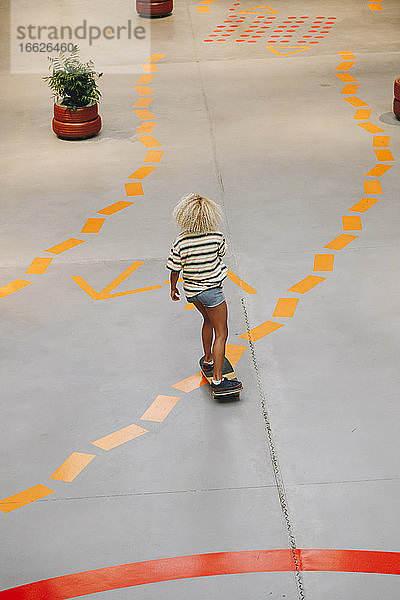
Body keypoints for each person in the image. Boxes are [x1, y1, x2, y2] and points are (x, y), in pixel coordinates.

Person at [166, 193, 243, 396]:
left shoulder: (181, 242)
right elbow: (220, 253)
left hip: (192, 292)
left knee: (207, 321)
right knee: (222, 332)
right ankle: (218, 381)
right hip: (212, 292)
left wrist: (173, 288)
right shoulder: (216, 236)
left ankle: (208, 360)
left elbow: (174, 269)